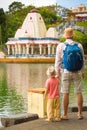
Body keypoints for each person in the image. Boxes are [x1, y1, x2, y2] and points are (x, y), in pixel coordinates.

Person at [55, 27, 84, 120]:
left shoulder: (60, 46)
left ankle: (65, 114)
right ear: (73, 35)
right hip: (78, 72)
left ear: (65, 36)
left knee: (65, 93)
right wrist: (82, 71)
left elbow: (58, 62)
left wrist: (57, 74)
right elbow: (83, 60)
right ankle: (79, 114)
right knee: (79, 92)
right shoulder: (79, 45)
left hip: (65, 72)